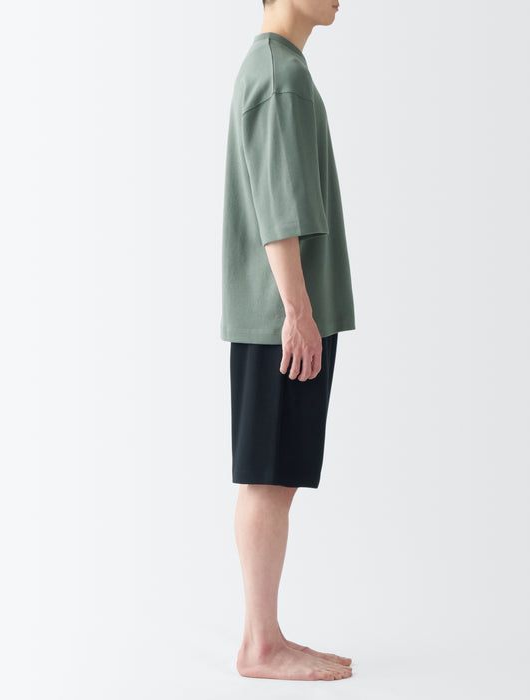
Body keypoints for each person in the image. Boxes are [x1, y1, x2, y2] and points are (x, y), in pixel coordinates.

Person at [220, 0, 355, 682]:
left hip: (275, 314)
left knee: (271, 476)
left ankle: (262, 638)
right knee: (269, 479)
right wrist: (299, 311)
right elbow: (279, 207)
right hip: (282, 318)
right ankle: (262, 646)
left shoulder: (275, 67)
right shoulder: (280, 74)